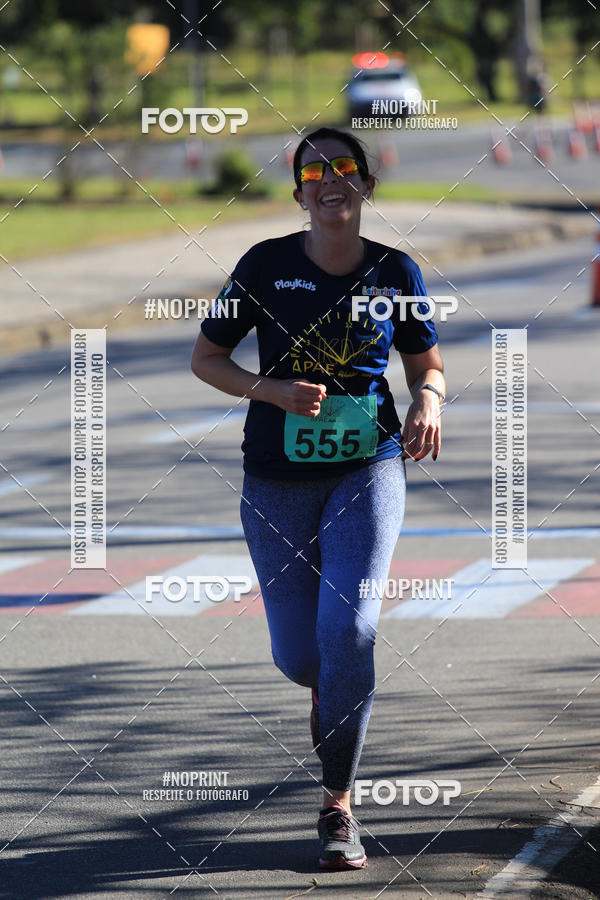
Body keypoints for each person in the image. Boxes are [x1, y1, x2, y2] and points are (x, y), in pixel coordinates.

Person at [191, 126, 445, 870]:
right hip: (274, 482)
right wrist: (267, 388)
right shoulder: (263, 267)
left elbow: (426, 361)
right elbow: (207, 357)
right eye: (314, 171)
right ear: (300, 191)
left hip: (368, 470)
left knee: (349, 633)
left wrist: (429, 401)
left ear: (366, 184)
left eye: (344, 168)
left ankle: (338, 805)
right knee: (304, 658)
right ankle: (326, 695)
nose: (330, 179)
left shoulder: (395, 270)